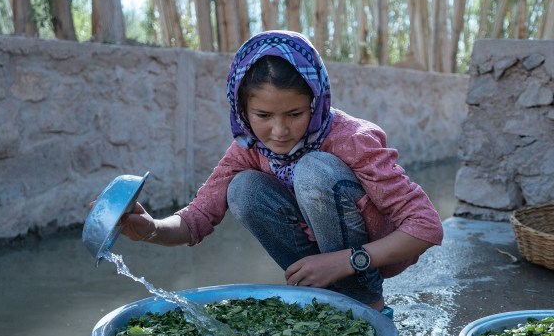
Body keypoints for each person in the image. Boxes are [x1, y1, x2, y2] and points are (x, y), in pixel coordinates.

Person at [116, 30, 444, 318]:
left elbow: (426, 227)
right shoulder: (247, 147)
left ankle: (367, 304)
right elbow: (196, 218)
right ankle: (321, 297)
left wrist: (347, 261)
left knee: (312, 170)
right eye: (263, 115)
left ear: (315, 104)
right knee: (242, 188)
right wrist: (150, 229)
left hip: (364, 258)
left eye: (294, 114)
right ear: (242, 110)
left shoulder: (352, 139)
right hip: (324, 264)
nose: (279, 131)